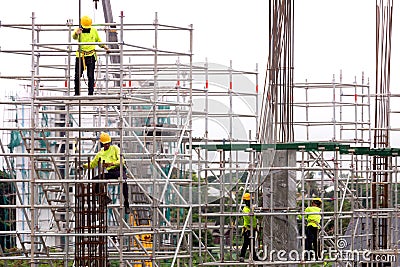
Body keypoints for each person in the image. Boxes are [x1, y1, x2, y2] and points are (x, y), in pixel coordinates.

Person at [82, 132, 130, 214]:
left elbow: (122, 161)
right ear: (102, 144)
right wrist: (83, 166)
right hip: (111, 172)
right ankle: (104, 198)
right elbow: (93, 164)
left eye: (108, 143)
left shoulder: (115, 148)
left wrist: (111, 163)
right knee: (94, 180)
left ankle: (126, 203)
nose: (107, 145)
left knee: (124, 181)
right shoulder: (100, 153)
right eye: (105, 144)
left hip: (120, 170)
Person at [72, 15, 109, 96]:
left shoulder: (93, 30)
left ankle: (90, 93)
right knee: (77, 75)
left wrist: (104, 46)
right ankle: (77, 93)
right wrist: (76, 33)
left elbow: (98, 40)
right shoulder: (78, 29)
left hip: (90, 55)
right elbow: (74, 37)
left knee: (90, 75)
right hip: (80, 55)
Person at [239, 192, 259, 262]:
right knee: (246, 243)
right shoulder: (245, 209)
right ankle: (242, 256)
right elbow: (250, 217)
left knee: (251, 244)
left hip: (252, 229)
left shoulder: (249, 208)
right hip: (247, 229)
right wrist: (253, 211)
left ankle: (253, 256)